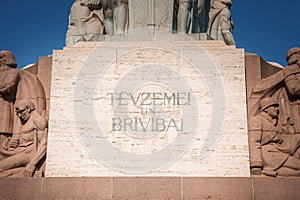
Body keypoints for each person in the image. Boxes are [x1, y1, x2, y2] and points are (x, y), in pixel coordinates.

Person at [249, 97, 300, 177]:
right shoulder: (257, 120)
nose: (277, 109)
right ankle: (270, 172)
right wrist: (256, 164)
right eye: (274, 106)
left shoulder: (275, 122)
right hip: (268, 153)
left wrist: (288, 126)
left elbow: (282, 138)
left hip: (278, 150)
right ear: (266, 109)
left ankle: (271, 172)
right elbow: (254, 142)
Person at [0, 99, 48, 177]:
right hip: (21, 151)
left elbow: (44, 144)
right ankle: (20, 172)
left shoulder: (38, 121)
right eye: (17, 113)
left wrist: (32, 164)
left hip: (28, 155)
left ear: (28, 108)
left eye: (20, 112)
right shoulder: (28, 121)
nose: (19, 116)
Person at [0, 50, 21, 136]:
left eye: (1, 57)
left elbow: (8, 88)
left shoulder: (14, 72)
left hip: (5, 102)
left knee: (3, 129)